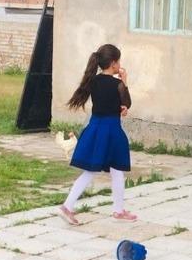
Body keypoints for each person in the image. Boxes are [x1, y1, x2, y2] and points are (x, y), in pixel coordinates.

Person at [58, 43, 135, 225]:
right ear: (113, 63)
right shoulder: (117, 84)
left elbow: (113, 103)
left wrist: (121, 106)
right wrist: (125, 82)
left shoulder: (93, 81)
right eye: (119, 62)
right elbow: (127, 102)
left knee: (99, 171)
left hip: (95, 128)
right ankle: (68, 206)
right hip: (111, 131)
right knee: (113, 169)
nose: (120, 65)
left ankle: (116, 210)